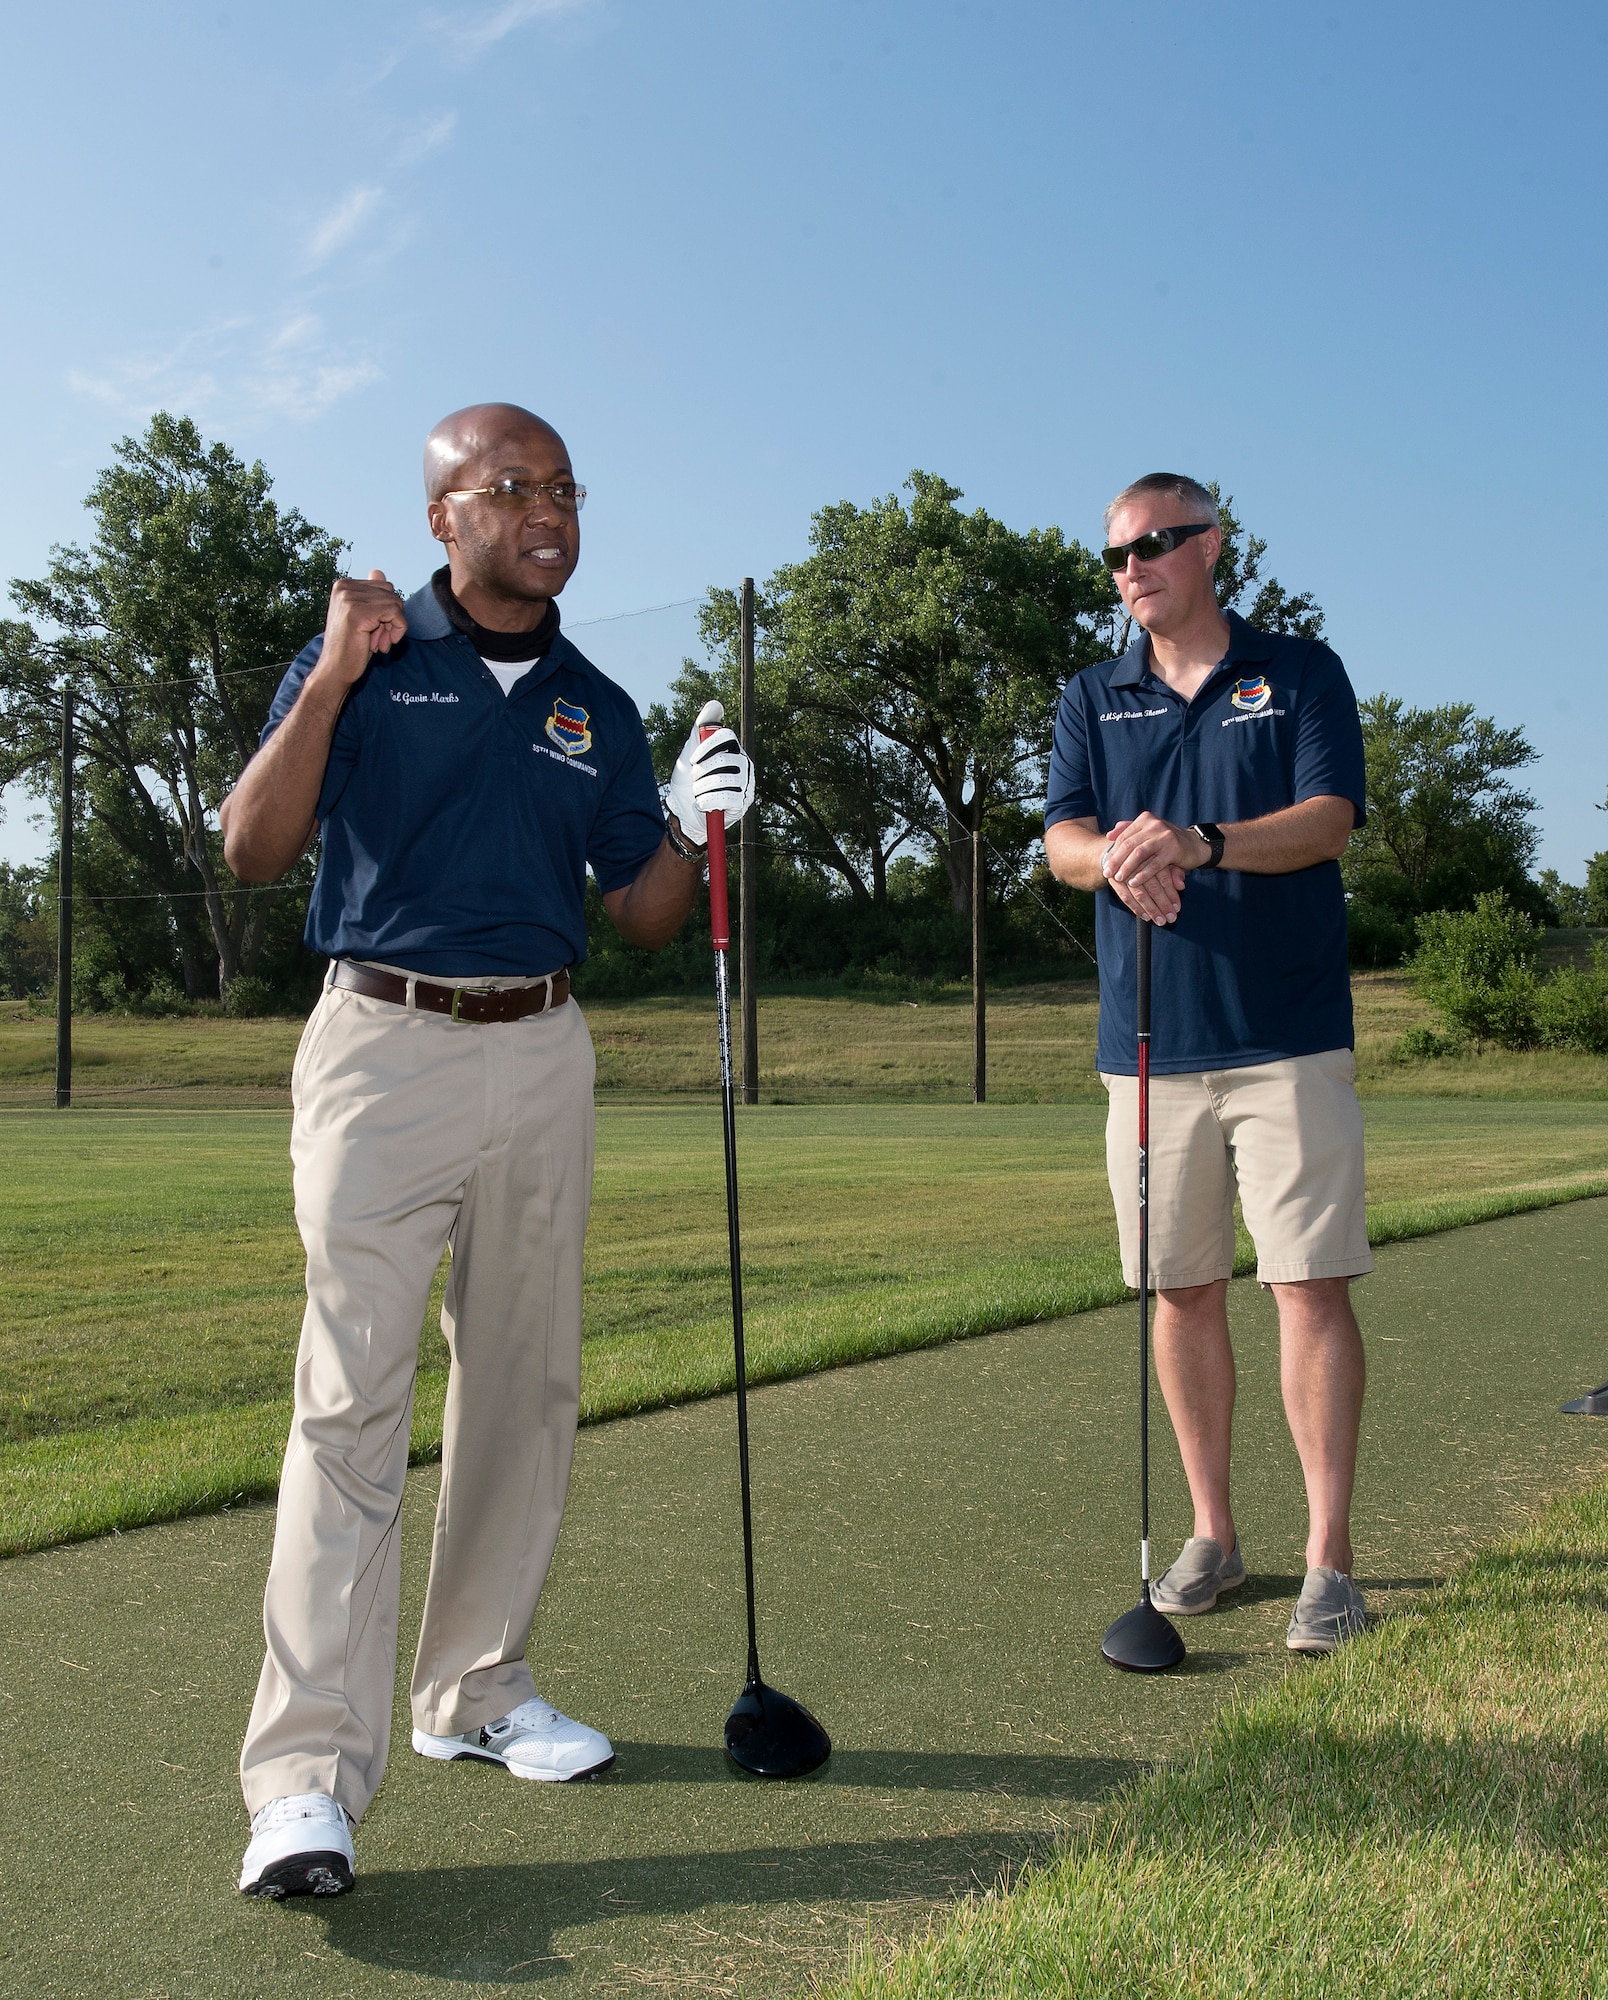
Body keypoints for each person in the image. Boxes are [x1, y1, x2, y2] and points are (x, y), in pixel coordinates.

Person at [220, 402, 753, 1899]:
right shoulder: (373, 664)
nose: (548, 511)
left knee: (526, 1386)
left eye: (565, 488)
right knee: (350, 1406)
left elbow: (638, 911)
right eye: (510, 487)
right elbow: (253, 847)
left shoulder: (597, 700)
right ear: (442, 515)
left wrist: (695, 830)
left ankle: (475, 1688)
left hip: (545, 1048)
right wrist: (330, 676)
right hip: (382, 1045)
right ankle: (307, 1782)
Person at [1044, 471, 1371, 1657]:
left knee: (1306, 1284)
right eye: (1117, 556)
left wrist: (1200, 840)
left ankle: (1330, 1559)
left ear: (1211, 545)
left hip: (1285, 1036)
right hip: (1148, 1048)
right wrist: (1117, 859)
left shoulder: (1298, 671)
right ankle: (1215, 1533)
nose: (1133, 569)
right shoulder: (1094, 694)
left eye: (1155, 545)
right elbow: (1062, 834)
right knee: (1180, 1288)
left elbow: (1331, 816)